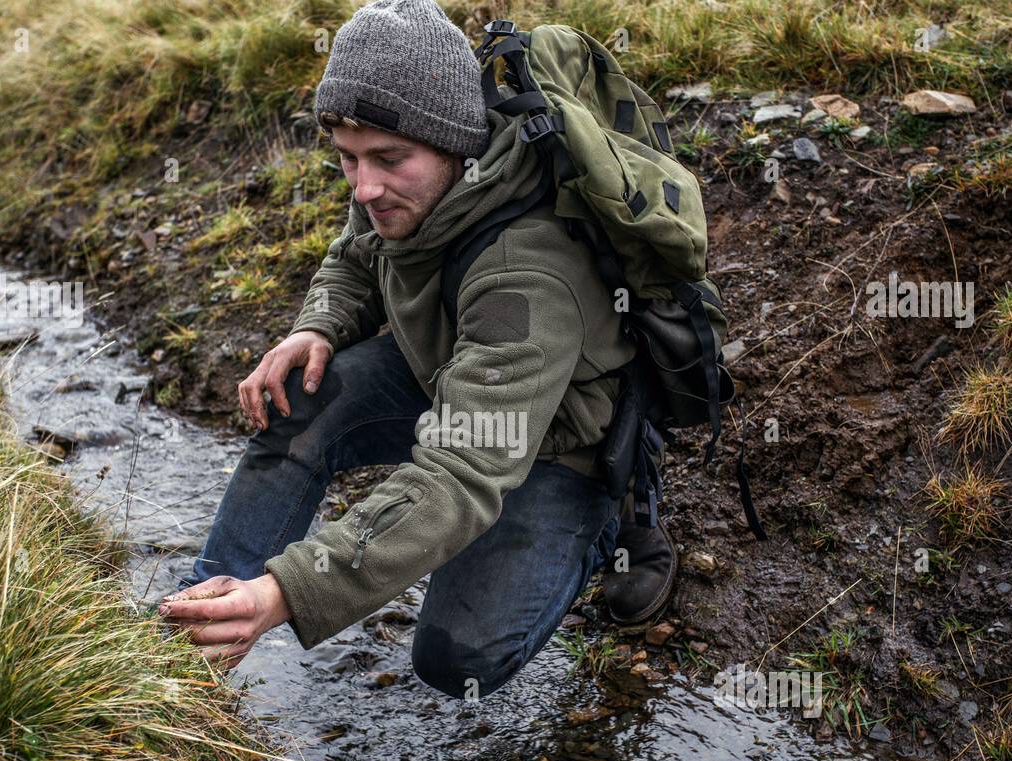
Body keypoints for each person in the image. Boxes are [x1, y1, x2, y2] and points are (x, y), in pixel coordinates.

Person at [160, 0, 678, 700]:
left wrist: (287, 591)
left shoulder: (525, 274)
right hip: (444, 373)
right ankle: (194, 629)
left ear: (455, 143)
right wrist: (316, 327)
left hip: (551, 441)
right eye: (347, 159)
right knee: (301, 396)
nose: (364, 185)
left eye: (387, 160)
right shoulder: (402, 177)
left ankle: (610, 527)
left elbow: (460, 469)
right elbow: (356, 253)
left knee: (457, 659)